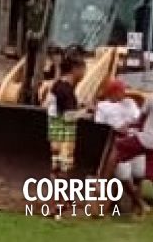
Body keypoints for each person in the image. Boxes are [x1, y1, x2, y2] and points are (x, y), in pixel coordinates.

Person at [95, 79, 147, 214]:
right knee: (124, 174)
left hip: (133, 140)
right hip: (116, 143)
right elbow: (99, 127)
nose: (124, 93)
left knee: (139, 171)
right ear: (113, 92)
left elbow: (138, 119)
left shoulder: (130, 103)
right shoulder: (102, 106)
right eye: (121, 91)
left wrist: (131, 126)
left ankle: (136, 204)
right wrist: (116, 129)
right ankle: (139, 203)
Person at [46, 45, 88, 177]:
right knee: (64, 168)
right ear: (75, 69)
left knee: (55, 167)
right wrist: (85, 112)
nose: (84, 73)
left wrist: (79, 104)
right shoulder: (68, 91)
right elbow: (69, 116)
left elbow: (53, 106)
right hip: (65, 135)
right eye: (83, 69)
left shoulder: (57, 86)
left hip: (55, 131)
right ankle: (60, 196)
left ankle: (55, 195)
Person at [113, 91, 153, 214]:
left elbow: (140, 121)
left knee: (115, 149)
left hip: (146, 139)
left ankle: (101, 192)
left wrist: (127, 126)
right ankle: (138, 203)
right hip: (148, 141)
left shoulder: (151, 99)